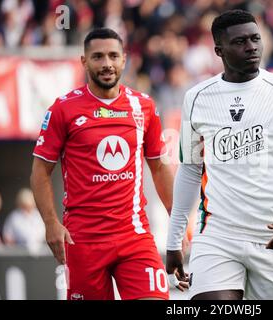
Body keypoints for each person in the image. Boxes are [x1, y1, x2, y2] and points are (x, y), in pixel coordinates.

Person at [166, 10, 273, 300]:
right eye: (240, 41)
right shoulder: (197, 98)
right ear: (218, 50)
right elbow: (190, 169)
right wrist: (174, 238)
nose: (251, 47)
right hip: (216, 235)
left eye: (255, 39)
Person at [30, 28, 174, 300]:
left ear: (124, 59)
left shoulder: (143, 106)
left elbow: (158, 166)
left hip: (134, 235)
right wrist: (50, 223)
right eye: (97, 57)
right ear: (84, 61)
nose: (106, 63)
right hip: (83, 240)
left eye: (113, 56)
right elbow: (40, 171)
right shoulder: (63, 109)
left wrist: (177, 222)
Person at [3, 188, 45, 252]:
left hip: (39, 253)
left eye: (29, 207)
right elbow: (7, 237)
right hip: (19, 254)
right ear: (20, 204)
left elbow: (44, 234)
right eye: (25, 206)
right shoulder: (14, 217)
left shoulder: (38, 216)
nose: (27, 210)